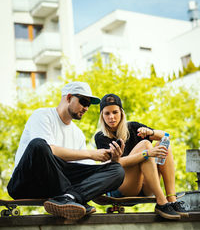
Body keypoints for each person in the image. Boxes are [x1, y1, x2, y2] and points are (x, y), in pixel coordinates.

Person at [7, 83, 125, 221]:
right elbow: (49, 150)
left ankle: (70, 198)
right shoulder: (42, 115)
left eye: (89, 105)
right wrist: (91, 153)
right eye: (83, 102)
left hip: (57, 188)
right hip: (26, 184)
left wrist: (114, 160)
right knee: (39, 145)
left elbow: (85, 173)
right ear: (68, 98)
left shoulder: (78, 134)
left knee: (117, 170)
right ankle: (71, 197)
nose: (86, 108)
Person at [95, 93, 188, 220]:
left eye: (115, 112)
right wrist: (146, 154)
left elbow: (167, 136)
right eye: (107, 113)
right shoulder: (101, 137)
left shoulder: (133, 127)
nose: (111, 117)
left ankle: (171, 199)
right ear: (102, 116)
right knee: (145, 145)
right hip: (120, 188)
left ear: (121, 113)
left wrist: (152, 132)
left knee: (164, 143)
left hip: (146, 186)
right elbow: (113, 164)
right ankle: (161, 202)